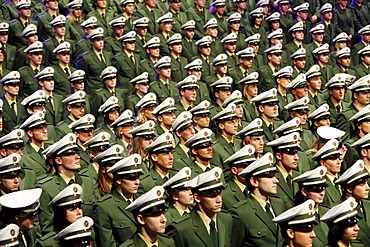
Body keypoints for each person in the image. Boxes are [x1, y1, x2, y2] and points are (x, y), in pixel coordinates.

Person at [37, 133, 98, 235]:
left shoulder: (87, 181)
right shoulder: (46, 188)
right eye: (70, 154)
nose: (77, 157)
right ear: (58, 160)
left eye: (77, 153)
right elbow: (47, 228)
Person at [229, 152, 286, 247]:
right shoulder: (241, 213)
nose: (276, 180)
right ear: (254, 181)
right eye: (269, 177)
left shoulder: (278, 204)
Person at [167, 167, 233, 247]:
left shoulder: (226, 219)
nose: (219, 200)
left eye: (219, 194)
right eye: (212, 196)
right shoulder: (182, 228)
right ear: (197, 198)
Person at [94, 154, 144, 247]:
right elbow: (107, 243)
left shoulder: (142, 201)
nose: (137, 182)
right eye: (132, 178)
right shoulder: (105, 207)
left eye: (138, 177)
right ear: (119, 180)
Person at [335, 160, 370, 246]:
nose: (368, 188)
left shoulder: (368, 205)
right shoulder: (340, 210)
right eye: (362, 184)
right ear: (350, 189)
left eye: (367, 183)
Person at [292, 166, 330, 246]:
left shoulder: (327, 212)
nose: (322, 193)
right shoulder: (297, 216)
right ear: (304, 191)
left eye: (323, 189)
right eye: (317, 189)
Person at [222, 145, 256, 210]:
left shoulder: (257, 188)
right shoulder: (225, 194)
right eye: (246, 167)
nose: (250, 171)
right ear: (234, 170)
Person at [312, 138, 342, 208]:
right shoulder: (319, 183)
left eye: (339, 158)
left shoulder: (342, 180)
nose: (338, 162)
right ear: (323, 163)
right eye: (333, 159)